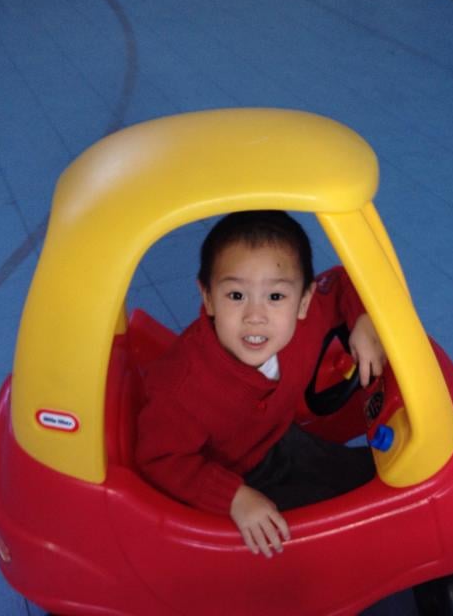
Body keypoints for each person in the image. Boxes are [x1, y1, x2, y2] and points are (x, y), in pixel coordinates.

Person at [134, 210, 385, 558]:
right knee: (322, 524)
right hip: (225, 477)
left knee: (372, 478)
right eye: (236, 296)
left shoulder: (306, 319)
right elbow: (159, 459)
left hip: (275, 438)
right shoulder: (181, 388)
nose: (256, 316)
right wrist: (233, 497)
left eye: (276, 297)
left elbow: (344, 281)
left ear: (303, 302)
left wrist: (364, 319)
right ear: (208, 297)